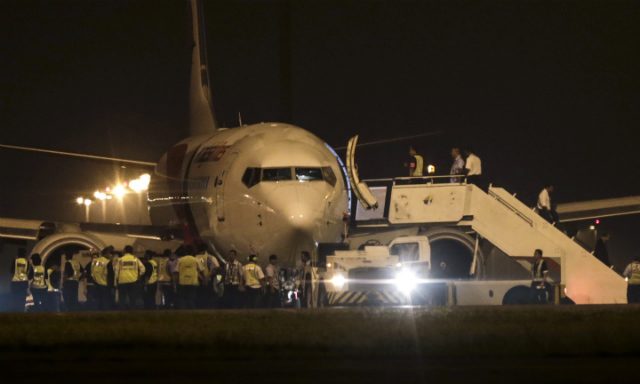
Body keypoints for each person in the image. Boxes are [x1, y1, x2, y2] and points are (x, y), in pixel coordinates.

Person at [174, 245, 206, 310]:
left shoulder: (180, 260)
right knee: (192, 299)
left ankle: (183, 313)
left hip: (182, 282)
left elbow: (176, 272)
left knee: (183, 299)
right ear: (192, 252)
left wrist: (176, 282)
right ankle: (192, 313)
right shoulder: (196, 260)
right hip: (193, 282)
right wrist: (204, 280)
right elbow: (202, 271)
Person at [115, 245, 145, 310]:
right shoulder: (135, 259)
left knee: (122, 299)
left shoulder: (120, 259)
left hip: (122, 281)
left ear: (125, 251)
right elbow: (143, 269)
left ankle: (122, 313)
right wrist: (138, 276)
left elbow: (116, 271)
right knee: (133, 298)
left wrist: (116, 280)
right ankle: (133, 313)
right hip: (133, 281)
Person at [195, 243, 220, 309]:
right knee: (208, 294)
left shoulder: (195, 257)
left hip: (198, 279)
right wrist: (207, 278)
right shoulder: (210, 257)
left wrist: (201, 278)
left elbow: (195, 270)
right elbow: (215, 268)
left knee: (199, 294)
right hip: (208, 278)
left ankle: (200, 307)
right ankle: (208, 307)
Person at [10, 248, 31, 312]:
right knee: (22, 299)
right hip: (23, 283)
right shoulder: (26, 261)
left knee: (15, 298)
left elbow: (11, 270)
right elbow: (27, 271)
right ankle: (21, 311)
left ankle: (15, 311)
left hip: (15, 282)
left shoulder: (15, 261)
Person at [91, 246, 111, 310]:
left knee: (97, 300)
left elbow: (92, 271)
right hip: (104, 283)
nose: (109, 255)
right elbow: (110, 274)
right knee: (105, 301)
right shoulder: (107, 262)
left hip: (96, 282)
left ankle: (96, 314)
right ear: (107, 253)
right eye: (109, 253)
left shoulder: (95, 260)